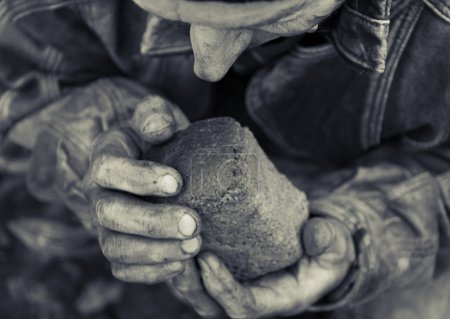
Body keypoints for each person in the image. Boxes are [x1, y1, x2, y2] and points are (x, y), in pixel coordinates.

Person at [1, 0, 450, 318]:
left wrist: (360, 236)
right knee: (48, 234)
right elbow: (15, 86)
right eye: (172, 11)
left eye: (260, 14)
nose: (207, 63)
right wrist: (98, 135)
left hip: (373, 179)